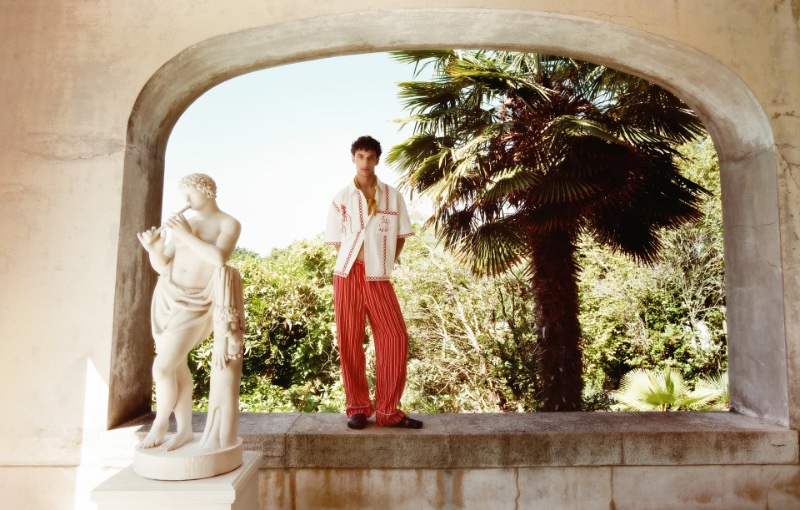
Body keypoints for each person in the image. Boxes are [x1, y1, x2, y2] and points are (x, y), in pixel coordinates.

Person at [137, 173, 245, 451]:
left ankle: (161, 423)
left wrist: (184, 233)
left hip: (197, 304)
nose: (185, 201)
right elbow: (164, 265)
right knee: (176, 365)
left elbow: (219, 258)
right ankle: (183, 429)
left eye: (190, 194)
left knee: (162, 367)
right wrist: (154, 249)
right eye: (182, 195)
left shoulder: (228, 223)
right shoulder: (188, 224)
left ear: (207, 191)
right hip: (167, 297)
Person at [325, 136, 422, 430]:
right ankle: (357, 408)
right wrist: (356, 262)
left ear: (377, 160)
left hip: (379, 276)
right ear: (353, 159)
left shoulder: (393, 196)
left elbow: (401, 236)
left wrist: (385, 261)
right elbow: (336, 242)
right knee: (350, 340)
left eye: (370, 157)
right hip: (348, 275)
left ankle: (388, 412)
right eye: (360, 157)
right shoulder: (340, 198)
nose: (365, 162)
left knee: (395, 337)